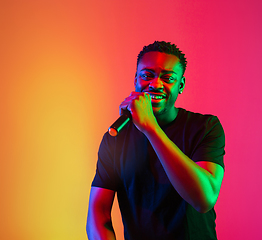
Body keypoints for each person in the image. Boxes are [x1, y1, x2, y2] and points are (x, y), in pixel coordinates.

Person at [86, 41, 225, 240]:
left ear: (181, 85)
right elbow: (98, 214)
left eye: (168, 78)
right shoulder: (116, 137)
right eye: (147, 75)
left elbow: (204, 198)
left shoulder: (205, 127)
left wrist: (151, 128)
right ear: (135, 80)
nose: (156, 84)